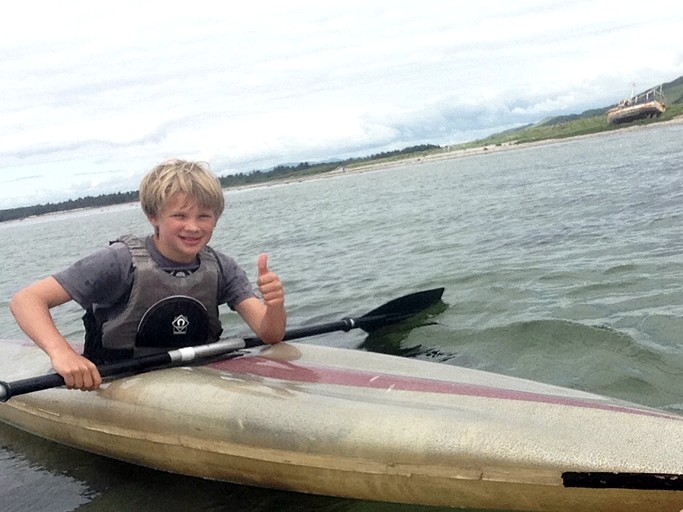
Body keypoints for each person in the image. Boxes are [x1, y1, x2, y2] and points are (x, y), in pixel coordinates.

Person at [10, 159, 286, 392]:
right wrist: (62, 354)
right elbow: (27, 300)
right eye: (180, 215)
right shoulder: (118, 261)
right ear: (154, 215)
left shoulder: (222, 266)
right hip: (117, 380)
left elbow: (269, 334)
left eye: (204, 216)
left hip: (198, 379)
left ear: (216, 218)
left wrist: (274, 306)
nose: (193, 227)